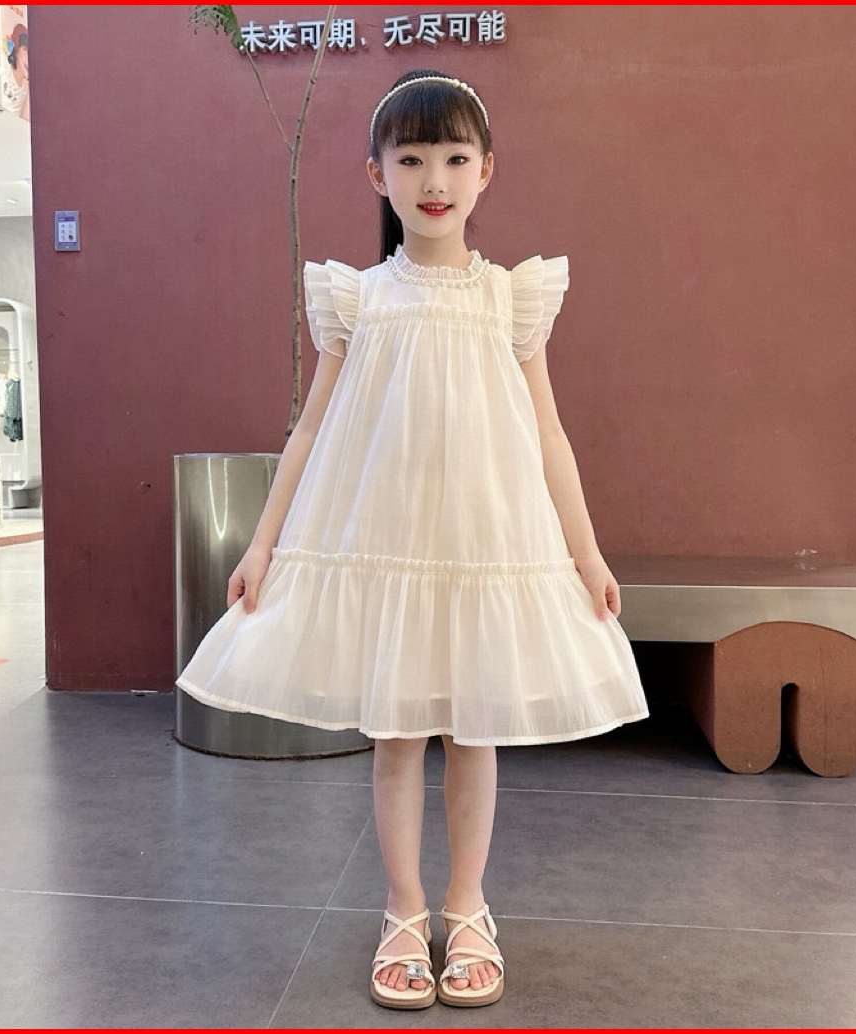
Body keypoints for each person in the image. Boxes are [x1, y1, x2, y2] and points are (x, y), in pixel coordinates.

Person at [176, 68, 650, 1010]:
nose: (435, 179)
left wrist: (587, 552)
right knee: (396, 736)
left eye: (456, 158)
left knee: (476, 733)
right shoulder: (358, 299)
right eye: (413, 159)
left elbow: (549, 433)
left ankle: (468, 906)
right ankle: (403, 907)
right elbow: (309, 430)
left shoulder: (509, 298)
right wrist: (263, 545)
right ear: (377, 174)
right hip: (388, 540)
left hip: (483, 544)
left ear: (486, 172)